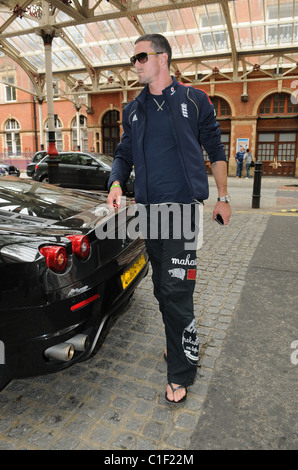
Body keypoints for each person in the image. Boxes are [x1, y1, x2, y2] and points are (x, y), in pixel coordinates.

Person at [107, 33, 231, 404]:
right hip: (148, 213)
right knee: (162, 287)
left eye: (141, 57)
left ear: (163, 58)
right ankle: (176, 341)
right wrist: (115, 182)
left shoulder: (195, 99)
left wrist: (223, 197)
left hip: (181, 211)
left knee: (177, 291)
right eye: (133, 59)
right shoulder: (133, 109)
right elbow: (123, 153)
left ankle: (181, 369)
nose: (136, 64)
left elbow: (215, 147)